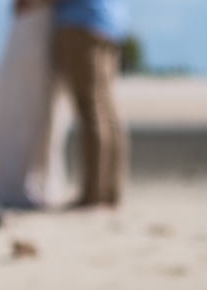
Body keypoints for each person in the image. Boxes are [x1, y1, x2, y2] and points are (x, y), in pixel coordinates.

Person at [16, 0, 129, 207]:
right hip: (109, 24)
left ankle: (94, 193)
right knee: (106, 109)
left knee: (91, 107)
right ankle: (110, 191)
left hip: (82, 23)